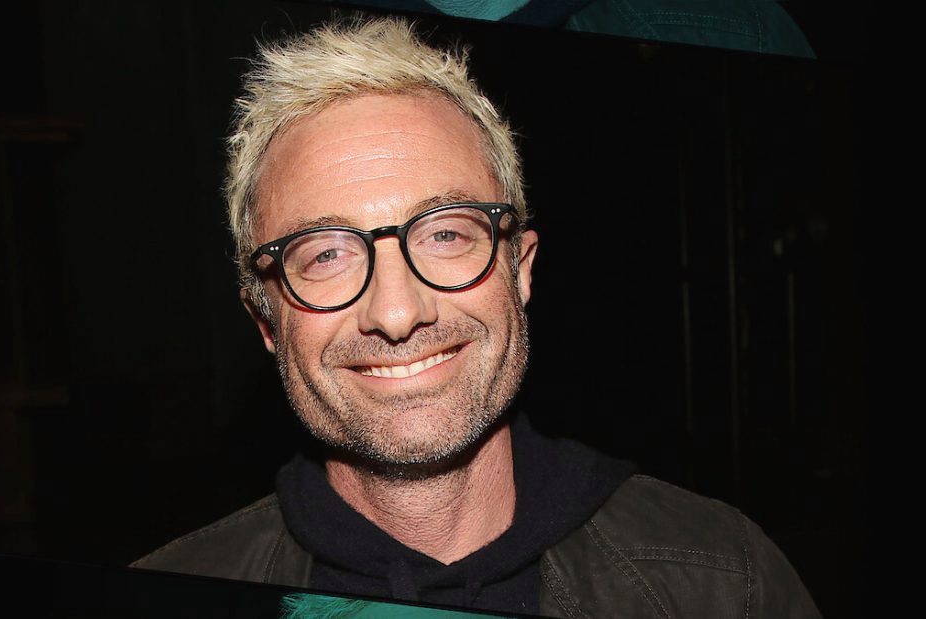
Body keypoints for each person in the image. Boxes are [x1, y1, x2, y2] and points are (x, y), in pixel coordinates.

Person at [133, 17, 820, 617]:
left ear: (521, 270)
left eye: (445, 233)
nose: (396, 312)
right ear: (266, 320)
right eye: (326, 254)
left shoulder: (727, 580)